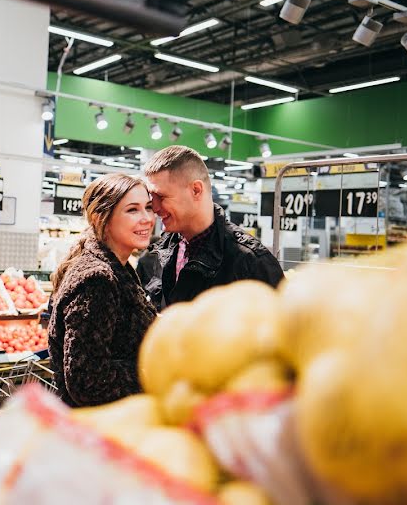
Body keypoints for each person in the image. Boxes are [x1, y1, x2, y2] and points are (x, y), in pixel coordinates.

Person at [47, 173, 157, 407]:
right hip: (98, 427)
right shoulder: (97, 279)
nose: (147, 218)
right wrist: (154, 373)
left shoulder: (118, 267)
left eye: (149, 207)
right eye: (133, 210)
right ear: (100, 218)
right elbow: (87, 379)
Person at [143, 146, 284, 309]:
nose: (154, 207)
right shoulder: (165, 249)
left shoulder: (250, 261)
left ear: (196, 190)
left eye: (161, 196)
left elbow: (283, 328)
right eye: (152, 198)